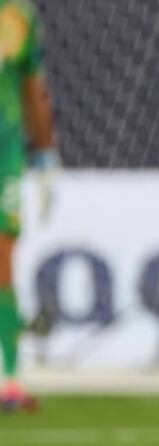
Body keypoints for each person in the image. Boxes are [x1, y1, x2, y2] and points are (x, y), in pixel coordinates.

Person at [0, 0, 57, 413]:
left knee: (2, 257)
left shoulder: (17, 13)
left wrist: (45, 155)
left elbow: (31, 86)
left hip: (4, 152)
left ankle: (9, 376)